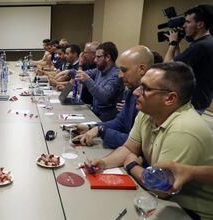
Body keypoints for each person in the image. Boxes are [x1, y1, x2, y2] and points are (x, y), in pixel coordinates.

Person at [90, 62, 213, 219]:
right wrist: (104, 164)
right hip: (165, 200)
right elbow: (129, 148)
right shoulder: (148, 112)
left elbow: (160, 189)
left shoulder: (184, 128)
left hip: (190, 211)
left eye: (146, 89)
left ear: (170, 98)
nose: (135, 92)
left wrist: (131, 165)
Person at [75, 45, 153, 148]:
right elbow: (120, 121)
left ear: (142, 69)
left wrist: (102, 131)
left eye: (124, 70)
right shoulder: (132, 91)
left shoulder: (152, 99)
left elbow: (137, 142)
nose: (120, 75)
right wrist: (94, 128)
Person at [164, 5, 213, 112]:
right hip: (201, 100)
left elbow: (168, 67)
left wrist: (172, 43)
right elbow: (181, 66)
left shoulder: (200, 46)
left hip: (192, 104)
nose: (184, 26)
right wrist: (177, 45)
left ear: (200, 24)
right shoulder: (208, 42)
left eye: (187, 22)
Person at [75, 42, 124, 121]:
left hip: (106, 118)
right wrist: (67, 72)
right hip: (95, 113)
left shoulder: (116, 75)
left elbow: (103, 97)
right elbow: (81, 74)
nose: (95, 60)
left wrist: (87, 79)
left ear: (108, 57)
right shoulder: (99, 70)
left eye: (98, 57)